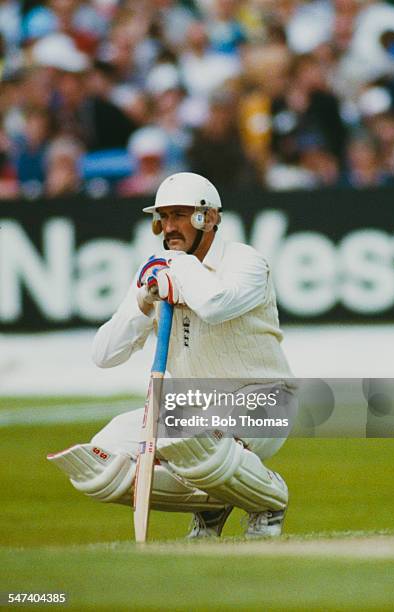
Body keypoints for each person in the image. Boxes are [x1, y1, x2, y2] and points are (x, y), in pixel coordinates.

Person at [48, 171, 294, 538]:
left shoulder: (247, 262)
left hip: (263, 399)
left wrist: (177, 268)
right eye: (163, 216)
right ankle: (210, 504)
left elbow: (215, 305)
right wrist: (143, 301)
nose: (168, 226)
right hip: (192, 406)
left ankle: (268, 500)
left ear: (208, 218)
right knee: (100, 465)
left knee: (198, 444)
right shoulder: (159, 267)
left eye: (179, 214)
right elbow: (104, 353)